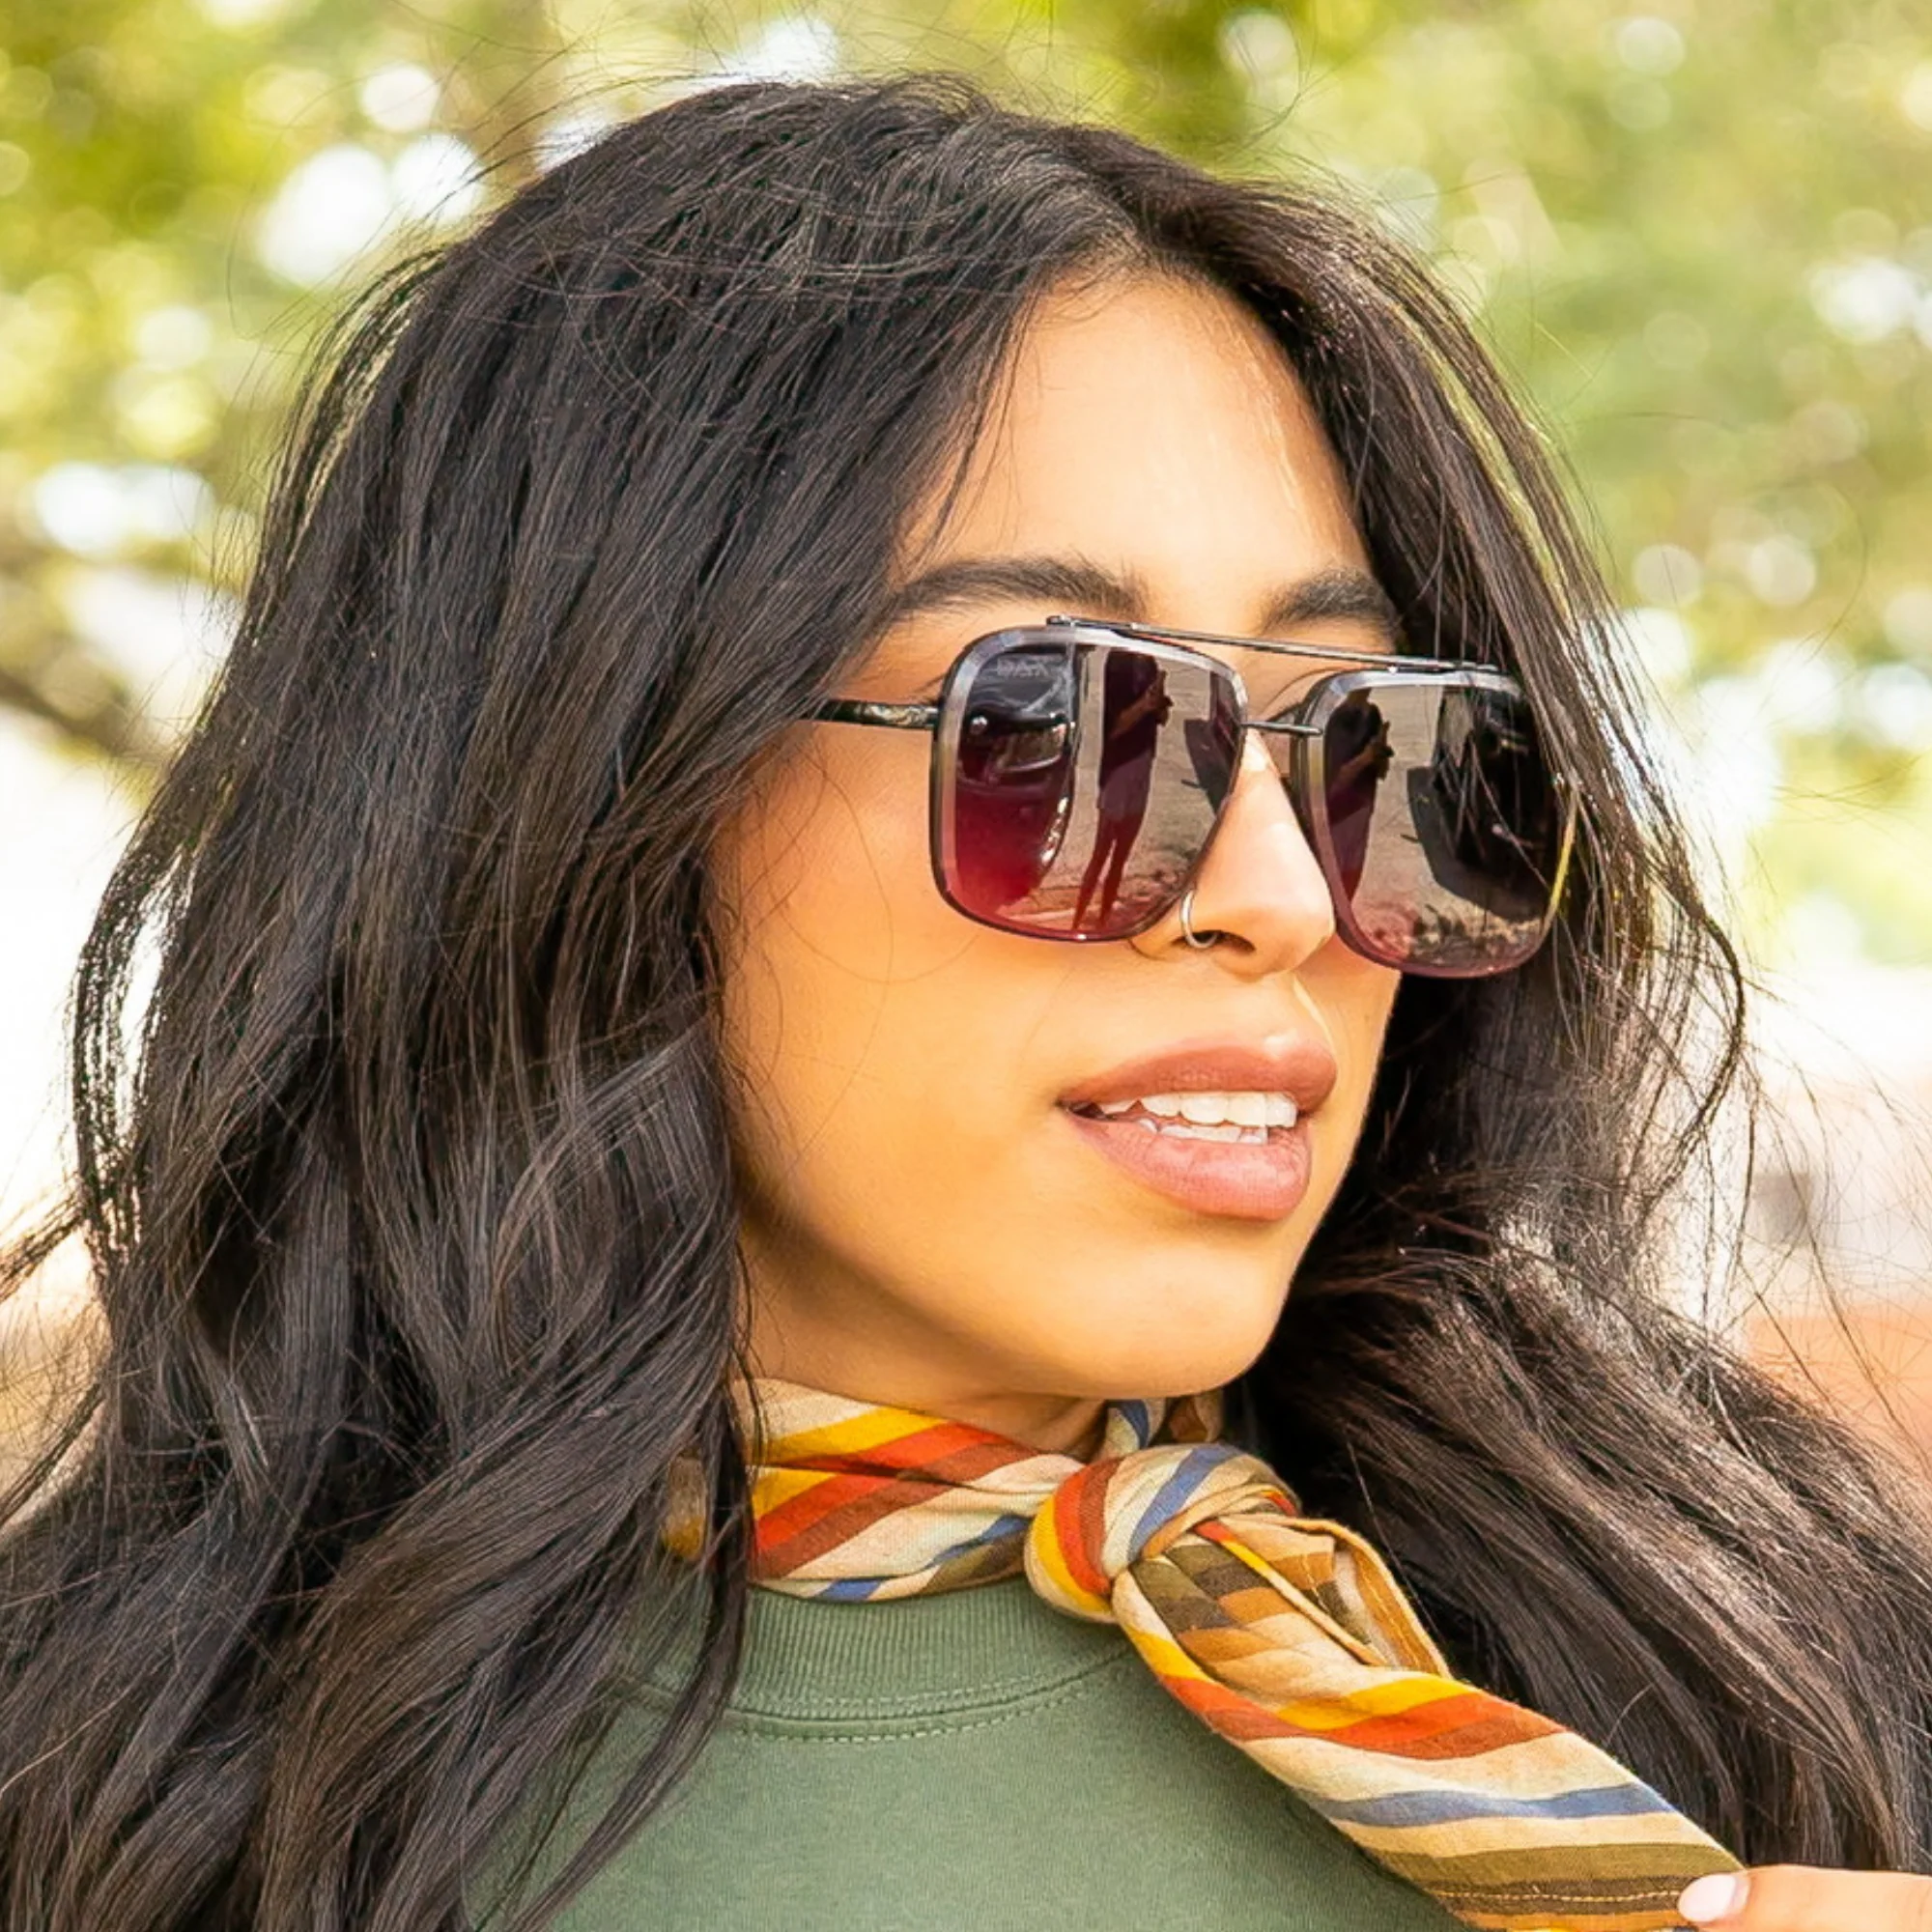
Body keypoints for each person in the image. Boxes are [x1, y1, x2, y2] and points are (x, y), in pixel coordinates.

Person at [0, 72, 1928, 1932]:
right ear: (592, 798)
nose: (1274, 897)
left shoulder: (1784, 1677)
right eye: (1067, 733)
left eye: (1376, 756)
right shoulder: (109, 1805)